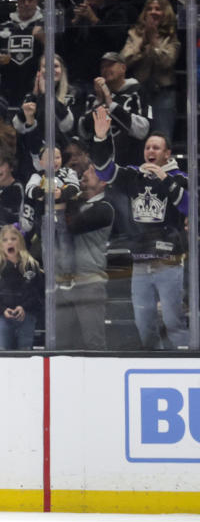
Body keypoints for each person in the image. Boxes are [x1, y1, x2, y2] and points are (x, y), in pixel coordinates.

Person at [91, 108, 188, 350]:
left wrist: (165, 180)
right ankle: (153, 367)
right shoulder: (135, 176)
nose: (150, 151)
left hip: (170, 261)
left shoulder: (180, 178)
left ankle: (182, 368)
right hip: (140, 262)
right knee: (144, 322)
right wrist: (101, 139)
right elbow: (104, 171)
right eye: (147, 147)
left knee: (173, 321)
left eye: (156, 148)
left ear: (167, 154)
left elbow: (189, 207)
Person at [54, 160, 115, 350]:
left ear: (104, 182)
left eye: (92, 171)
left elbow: (73, 226)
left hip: (89, 283)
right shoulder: (80, 203)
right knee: (62, 344)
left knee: (93, 342)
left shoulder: (105, 208)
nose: (86, 173)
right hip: (64, 282)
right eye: (86, 169)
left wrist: (66, 199)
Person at [119, 0, 180, 140]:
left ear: (165, 13)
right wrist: (142, 43)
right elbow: (124, 60)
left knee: (162, 137)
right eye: (150, 9)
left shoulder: (171, 36)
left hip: (163, 94)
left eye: (158, 9)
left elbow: (167, 61)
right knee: (137, 138)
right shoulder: (134, 33)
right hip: (139, 94)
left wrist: (153, 43)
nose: (153, 12)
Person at [78, 52, 150, 169]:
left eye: (110, 65)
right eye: (103, 66)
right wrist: (100, 101)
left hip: (130, 164)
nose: (106, 69)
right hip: (99, 165)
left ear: (123, 68)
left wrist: (111, 104)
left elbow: (142, 130)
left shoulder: (137, 91)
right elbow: (83, 131)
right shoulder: (94, 96)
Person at [0, 225, 43, 350]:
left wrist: (24, 307)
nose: (9, 242)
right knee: (2, 353)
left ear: (20, 242)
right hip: (4, 317)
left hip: (27, 316)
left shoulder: (31, 265)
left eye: (13, 239)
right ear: (1, 245)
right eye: (5, 240)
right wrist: (3, 310)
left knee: (25, 352)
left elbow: (38, 294)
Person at [0, 0, 45, 107]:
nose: (26, 4)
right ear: (16, 2)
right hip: (8, 87)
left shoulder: (45, 26)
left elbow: (60, 56)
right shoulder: (3, 28)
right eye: (22, 0)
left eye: (30, 0)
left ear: (36, 1)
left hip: (36, 86)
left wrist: (44, 40)